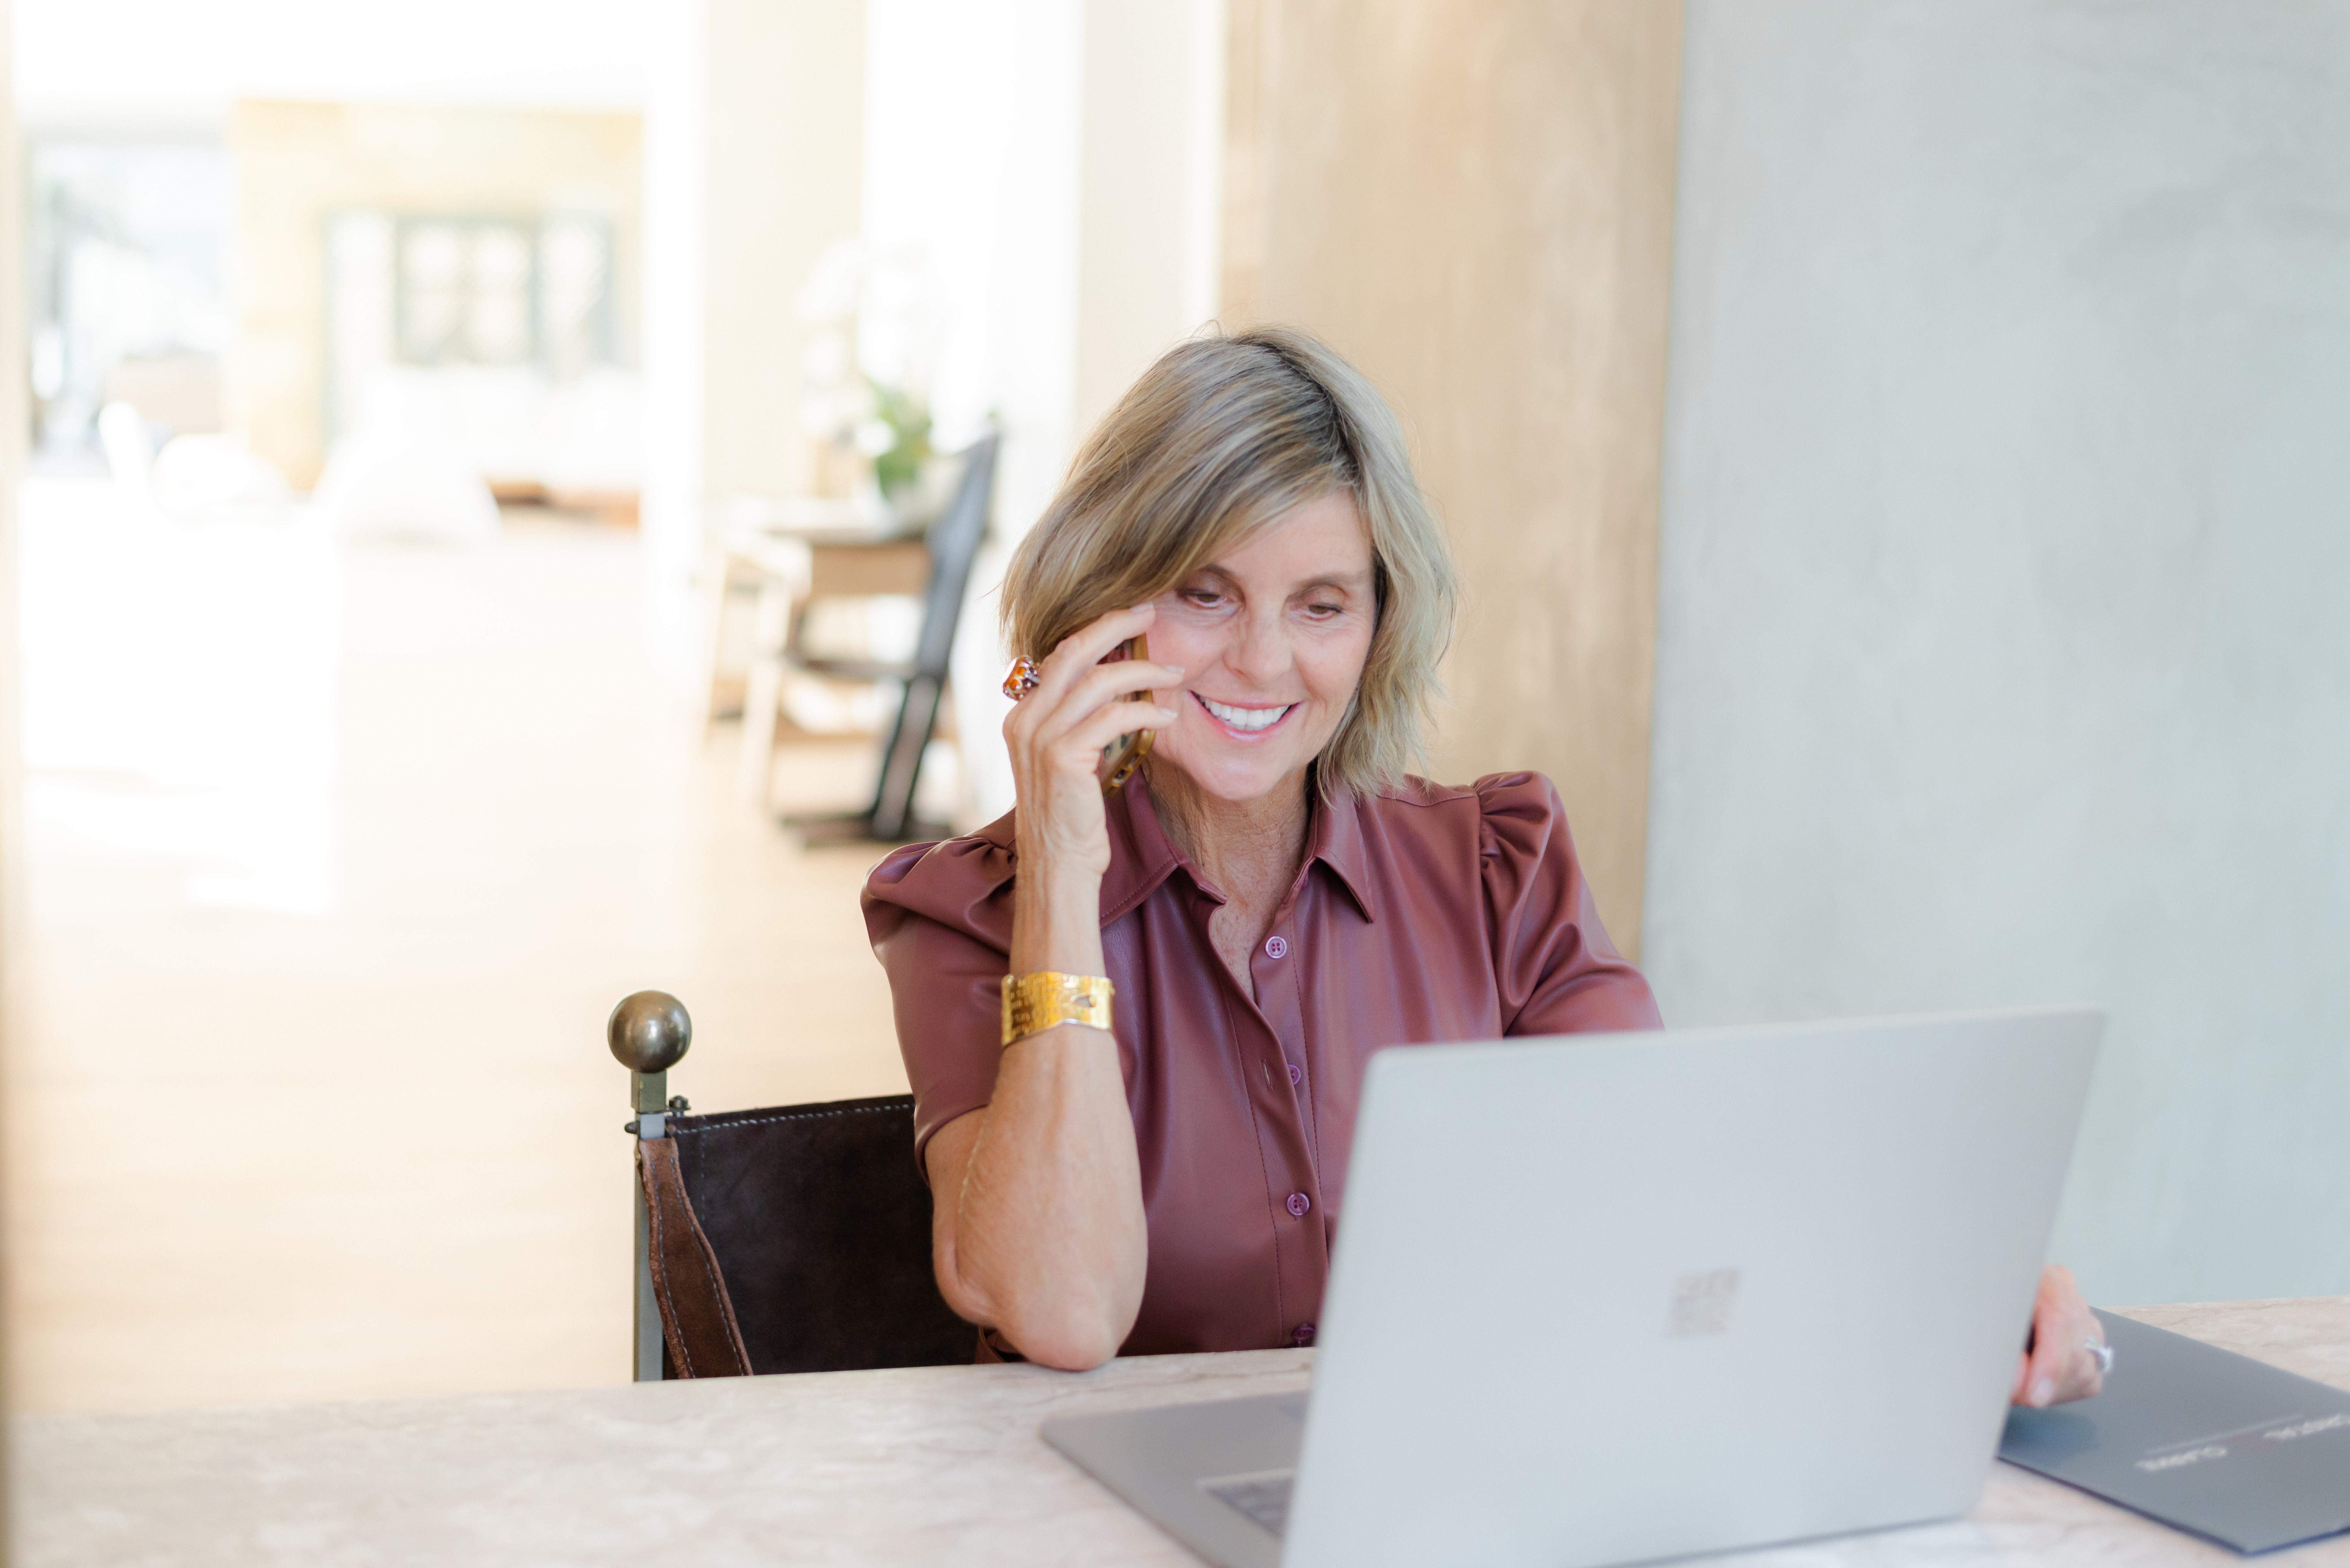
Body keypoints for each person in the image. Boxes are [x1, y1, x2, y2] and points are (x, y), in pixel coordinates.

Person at [862, 327, 2107, 1408]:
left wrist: (1960, 1288)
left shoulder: (1498, 868)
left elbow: (1676, 1192)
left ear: (1381, 624)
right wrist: (1067, 858)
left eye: (1321, 605)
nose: (1258, 661)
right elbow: (1066, 1311)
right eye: (1204, 593)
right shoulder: (974, 914)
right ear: (1103, 606)